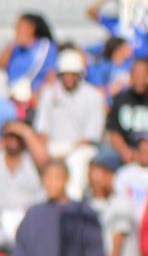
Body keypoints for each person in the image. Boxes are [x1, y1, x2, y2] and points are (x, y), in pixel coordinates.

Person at [9, 160, 103, 256]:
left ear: (66, 179)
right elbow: (20, 250)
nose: (51, 183)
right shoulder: (34, 214)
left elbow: (94, 253)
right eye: (47, 178)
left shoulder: (82, 213)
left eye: (56, 178)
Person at [33, 48, 107, 197]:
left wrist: (66, 151)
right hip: (53, 147)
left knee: (77, 162)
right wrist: (45, 152)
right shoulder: (49, 93)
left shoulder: (94, 96)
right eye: (64, 74)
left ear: (80, 75)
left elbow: (91, 137)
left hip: (81, 148)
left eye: (72, 74)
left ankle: (73, 202)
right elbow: (42, 130)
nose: (68, 78)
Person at [85, 150, 143, 256]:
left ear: (111, 175)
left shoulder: (122, 204)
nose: (94, 179)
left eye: (99, 173)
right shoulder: (103, 204)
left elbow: (116, 249)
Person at [0, 121, 47, 253]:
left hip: (26, 219)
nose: (13, 140)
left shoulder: (32, 160)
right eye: (9, 136)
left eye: (17, 136)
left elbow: (46, 163)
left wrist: (25, 131)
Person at [0, 11, 58, 108]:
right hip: (13, 97)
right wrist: (12, 45)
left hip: (34, 100)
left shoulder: (46, 47)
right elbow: (0, 65)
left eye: (19, 26)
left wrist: (37, 95)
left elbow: (51, 75)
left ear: (31, 28)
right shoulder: (15, 47)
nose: (16, 29)